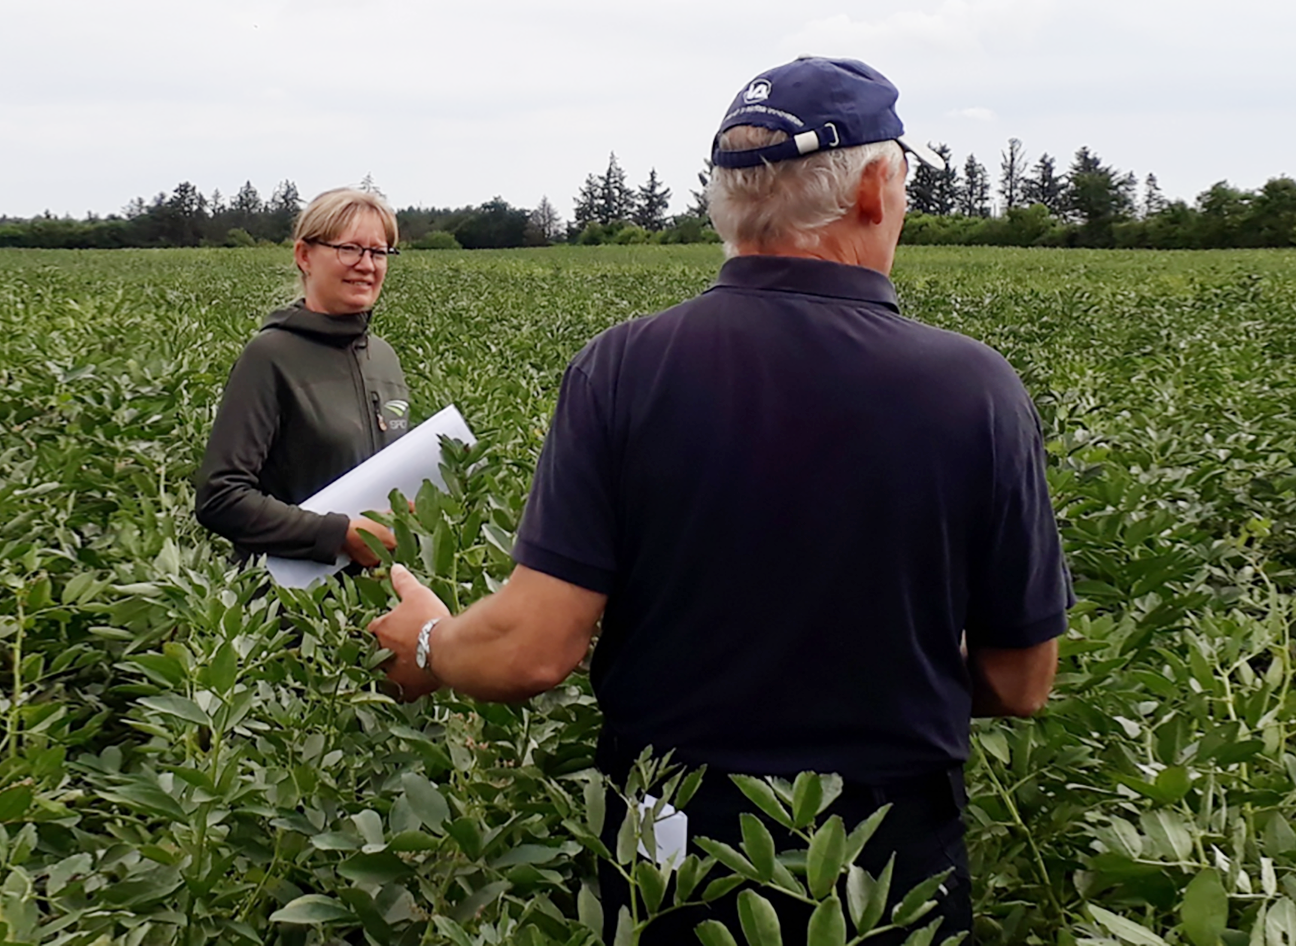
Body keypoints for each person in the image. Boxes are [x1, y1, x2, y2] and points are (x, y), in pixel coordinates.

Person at [368, 56, 1072, 943]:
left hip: (670, 852)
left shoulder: (623, 369)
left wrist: (428, 641)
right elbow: (1019, 680)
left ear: (726, 197)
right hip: (887, 861)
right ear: (872, 190)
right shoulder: (974, 388)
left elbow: (530, 653)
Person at [196, 187, 407, 568]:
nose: (367, 265)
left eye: (378, 252)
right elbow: (221, 497)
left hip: (375, 593)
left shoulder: (384, 359)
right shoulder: (270, 356)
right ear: (304, 256)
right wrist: (337, 535)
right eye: (349, 249)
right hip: (287, 598)